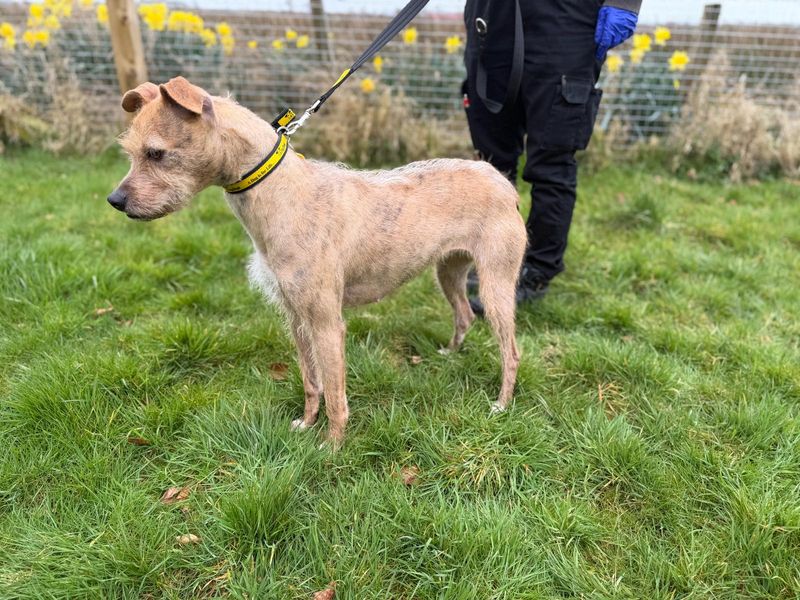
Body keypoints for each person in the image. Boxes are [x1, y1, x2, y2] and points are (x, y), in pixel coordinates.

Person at [463, 0, 641, 315]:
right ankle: (497, 256)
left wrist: (625, 2)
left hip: (566, 18)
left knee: (551, 159)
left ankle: (536, 271)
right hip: (493, 14)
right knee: (492, 160)